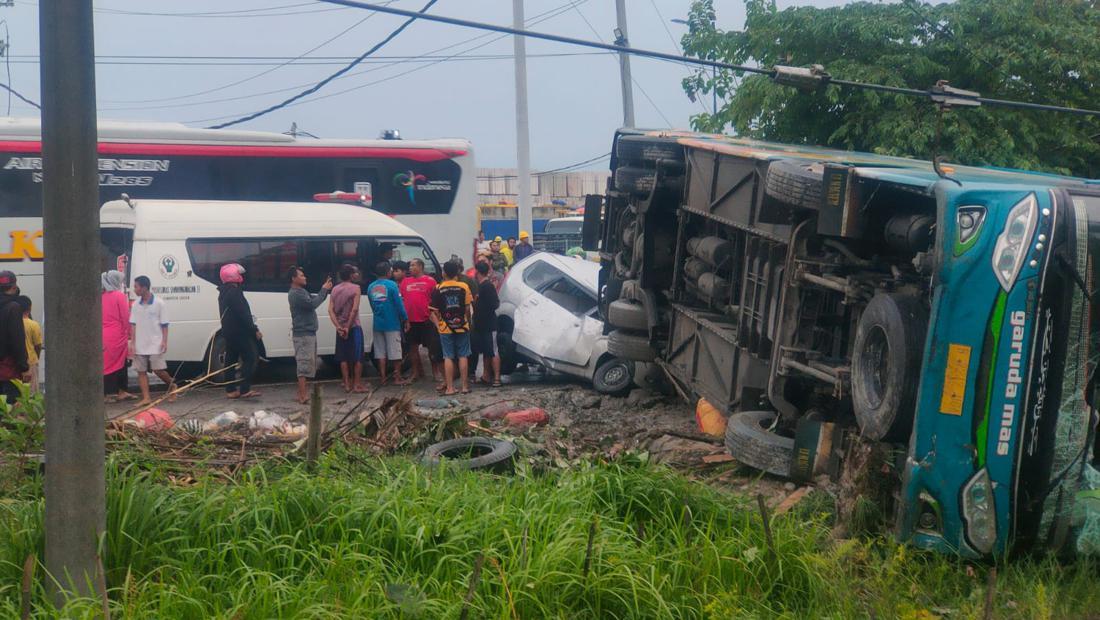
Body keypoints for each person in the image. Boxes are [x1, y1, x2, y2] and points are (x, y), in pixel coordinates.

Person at [288, 266, 333, 404]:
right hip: (303, 334)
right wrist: (324, 289)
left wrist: (324, 290)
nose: (304, 277)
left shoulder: (301, 291)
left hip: (307, 332)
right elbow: (313, 304)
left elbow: (316, 299)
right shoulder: (296, 293)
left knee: (307, 363)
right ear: (293, 278)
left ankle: (301, 393)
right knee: (303, 364)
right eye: (301, 275)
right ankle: (302, 395)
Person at [218, 263, 263, 399]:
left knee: (230, 361)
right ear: (234, 276)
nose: (241, 276)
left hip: (228, 331)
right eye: (239, 274)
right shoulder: (234, 292)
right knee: (250, 358)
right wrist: (254, 329)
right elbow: (243, 313)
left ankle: (230, 390)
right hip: (239, 332)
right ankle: (244, 389)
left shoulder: (223, 292)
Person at [129, 275, 177, 405]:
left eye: (136, 286)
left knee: (158, 369)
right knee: (141, 371)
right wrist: (132, 343)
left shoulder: (159, 303)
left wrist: (164, 341)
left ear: (144, 288)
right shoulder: (135, 305)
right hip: (140, 343)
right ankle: (146, 398)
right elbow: (133, 324)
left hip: (155, 341)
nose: (134, 289)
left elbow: (164, 324)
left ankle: (172, 385)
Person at [430, 260, 473, 395]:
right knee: (463, 355)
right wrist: (468, 322)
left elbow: (433, 311)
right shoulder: (464, 286)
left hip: (445, 327)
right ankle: (465, 386)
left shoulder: (438, 288)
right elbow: (467, 308)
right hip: (462, 325)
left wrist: (439, 325)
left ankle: (449, 388)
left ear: (443, 273)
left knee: (448, 356)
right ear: (457, 273)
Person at [399, 258, 442, 383]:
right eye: (410, 265)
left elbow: (435, 300)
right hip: (411, 320)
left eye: (413, 265)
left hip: (426, 320)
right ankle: (415, 373)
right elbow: (402, 300)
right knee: (413, 348)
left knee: (432, 348)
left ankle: (436, 372)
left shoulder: (430, 281)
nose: (410, 268)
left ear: (420, 267)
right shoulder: (405, 282)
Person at [367, 261, 408, 386]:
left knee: (380, 353)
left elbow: (372, 304)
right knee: (395, 352)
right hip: (392, 323)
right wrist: (405, 318)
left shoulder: (370, 287)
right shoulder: (392, 285)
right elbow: (399, 304)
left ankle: (383, 378)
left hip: (378, 323)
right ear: (387, 272)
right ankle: (397, 378)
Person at [329, 263, 368, 393]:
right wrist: (348, 327)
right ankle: (357, 384)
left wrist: (339, 327)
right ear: (351, 275)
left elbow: (330, 310)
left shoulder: (335, 289)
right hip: (354, 326)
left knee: (343, 357)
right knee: (357, 356)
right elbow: (354, 309)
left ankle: (346, 384)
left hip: (340, 327)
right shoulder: (356, 288)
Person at [101, 270, 135, 403]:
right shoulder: (119, 296)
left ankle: (108, 393)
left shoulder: (100, 296)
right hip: (117, 335)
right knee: (120, 364)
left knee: (106, 364)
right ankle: (118, 392)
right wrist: (130, 333)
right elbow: (126, 317)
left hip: (103, 335)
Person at [472, 261, 501, 388]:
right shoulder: (481, 285)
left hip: (489, 325)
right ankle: (486, 375)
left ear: (478, 272)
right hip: (481, 325)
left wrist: (482, 308)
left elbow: (495, 304)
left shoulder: (487, 286)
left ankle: (497, 378)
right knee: (485, 351)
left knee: (493, 351)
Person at [0, 272, 27, 404]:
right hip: (8, 370)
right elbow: (18, 340)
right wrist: (24, 366)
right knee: (9, 415)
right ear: (14, 286)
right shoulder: (14, 308)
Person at [15, 296, 40, 394]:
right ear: (30, 308)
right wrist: (36, 356)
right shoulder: (34, 325)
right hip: (31, 362)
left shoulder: (13, 322)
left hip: (16, 363)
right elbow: (38, 345)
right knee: (31, 393)